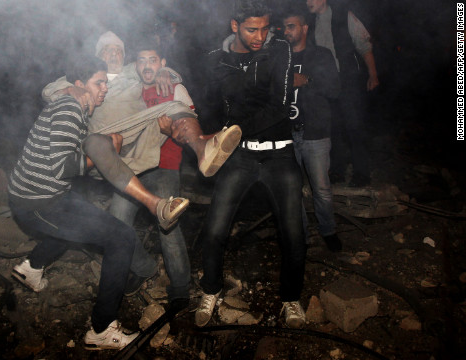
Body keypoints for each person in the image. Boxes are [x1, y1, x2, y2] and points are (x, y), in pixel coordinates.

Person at [8, 57, 189, 350]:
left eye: (106, 82)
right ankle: (102, 329)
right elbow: (63, 168)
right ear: (79, 86)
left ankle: (33, 266)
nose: (105, 88)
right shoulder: (70, 107)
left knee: (79, 220)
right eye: (98, 82)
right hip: (37, 203)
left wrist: (107, 153)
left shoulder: (73, 106)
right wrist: (105, 154)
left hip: (43, 195)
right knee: (121, 237)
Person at [194, 0, 306, 329]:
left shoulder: (281, 48)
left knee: (294, 234)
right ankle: (211, 290)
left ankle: (291, 299)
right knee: (215, 230)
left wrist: (232, 125)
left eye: (265, 28)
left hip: (279, 154)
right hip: (239, 155)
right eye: (251, 29)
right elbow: (227, 98)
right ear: (235, 27)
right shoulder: (218, 59)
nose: (260, 36)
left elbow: (281, 105)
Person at [42, 31, 242, 178]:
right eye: (107, 51)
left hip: (135, 137)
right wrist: (69, 89)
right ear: (97, 55)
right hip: (102, 142)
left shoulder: (131, 71)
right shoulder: (86, 76)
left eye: (118, 51)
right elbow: (48, 90)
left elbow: (154, 67)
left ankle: (202, 149)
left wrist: (165, 72)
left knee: (174, 106)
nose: (114, 55)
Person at [109, 38, 193, 308]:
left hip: (164, 166)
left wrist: (172, 133)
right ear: (136, 64)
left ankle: (180, 287)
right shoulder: (128, 89)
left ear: (163, 63)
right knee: (116, 223)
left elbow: (191, 133)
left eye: (153, 60)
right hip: (130, 169)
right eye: (142, 60)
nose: (147, 65)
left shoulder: (175, 88)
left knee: (168, 225)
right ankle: (145, 268)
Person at [283, 7, 343, 252]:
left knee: (321, 188)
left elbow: (335, 90)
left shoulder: (321, 55)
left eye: (292, 26)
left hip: (315, 132)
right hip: (286, 134)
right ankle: (302, 237)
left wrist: (306, 80)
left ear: (305, 28)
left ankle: (329, 231)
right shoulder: (280, 59)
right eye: (284, 27)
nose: (287, 31)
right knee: (292, 191)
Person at [306, 0, 379, 187]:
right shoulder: (309, 22)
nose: (308, 2)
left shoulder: (344, 16)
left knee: (354, 127)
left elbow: (364, 44)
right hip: (325, 85)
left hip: (348, 82)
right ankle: (337, 170)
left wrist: (373, 74)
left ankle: (362, 173)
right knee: (333, 128)